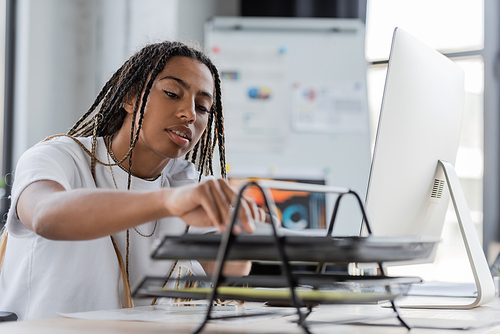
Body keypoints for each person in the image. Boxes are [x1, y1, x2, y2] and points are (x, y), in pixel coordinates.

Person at [0, 41, 264, 321]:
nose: (188, 114)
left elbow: (229, 268)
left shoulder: (185, 182)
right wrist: (169, 203)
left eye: (202, 107)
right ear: (130, 98)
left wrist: (243, 232)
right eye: (172, 93)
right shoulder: (59, 156)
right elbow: (45, 215)